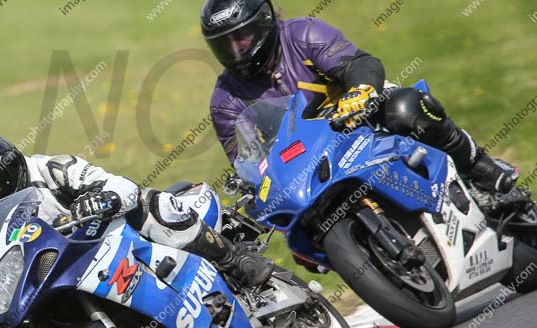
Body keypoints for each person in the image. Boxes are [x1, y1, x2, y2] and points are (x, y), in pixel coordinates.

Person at [201, 0, 520, 194]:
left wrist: (361, 91)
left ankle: (480, 168)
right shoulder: (225, 101)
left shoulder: (303, 34)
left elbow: (359, 64)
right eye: (225, 43)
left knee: (406, 109)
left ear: (264, 22)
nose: (236, 49)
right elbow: (246, 163)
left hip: (362, 120)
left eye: (242, 37)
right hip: (309, 163)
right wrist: (253, 183)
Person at [0, 129, 274, 286]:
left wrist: (103, 199)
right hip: (70, 278)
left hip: (114, 242)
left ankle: (234, 259)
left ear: (11, 170)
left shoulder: (53, 169)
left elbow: (123, 187)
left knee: (152, 203)